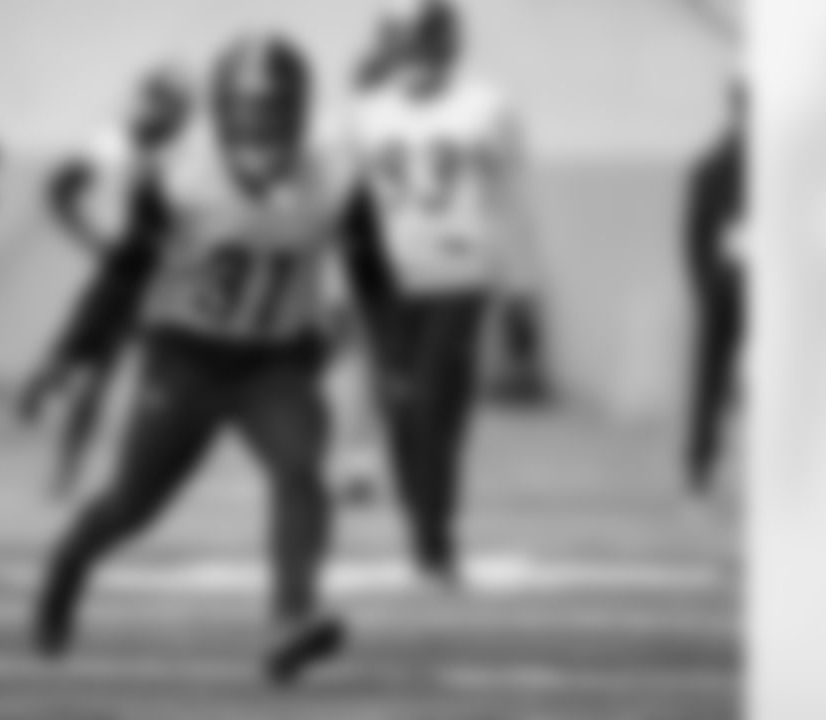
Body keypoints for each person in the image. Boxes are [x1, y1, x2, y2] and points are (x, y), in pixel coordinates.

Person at [32, 32, 402, 686]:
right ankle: (68, 564)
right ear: (224, 115)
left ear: (300, 114)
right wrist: (70, 355)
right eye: (251, 116)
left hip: (276, 362)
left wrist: (399, 360)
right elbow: (122, 276)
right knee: (132, 506)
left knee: (300, 467)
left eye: (277, 116)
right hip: (185, 357)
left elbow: (374, 274)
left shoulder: (337, 178)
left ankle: (292, 617)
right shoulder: (179, 173)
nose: (263, 135)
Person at [344, 0, 539, 583]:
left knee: (436, 409)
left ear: (452, 43)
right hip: (388, 284)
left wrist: (520, 285)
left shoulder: (486, 107)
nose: (424, 51)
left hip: (460, 276)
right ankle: (423, 529)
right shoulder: (366, 112)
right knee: (403, 412)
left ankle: (436, 534)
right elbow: (348, 210)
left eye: (434, 38)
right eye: (415, 38)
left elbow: (512, 200)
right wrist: (337, 285)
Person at [18, 64, 192, 499]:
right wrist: (92, 238)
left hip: (162, 274)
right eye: (160, 104)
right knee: (76, 362)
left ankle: (81, 467)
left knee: (115, 376)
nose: (166, 116)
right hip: (120, 272)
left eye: (174, 108)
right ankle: (45, 383)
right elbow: (58, 190)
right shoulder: (112, 145)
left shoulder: (184, 154)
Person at [683, 81, 746, 496]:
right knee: (710, 381)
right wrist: (706, 285)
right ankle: (700, 464)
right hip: (724, 290)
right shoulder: (712, 166)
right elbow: (694, 235)